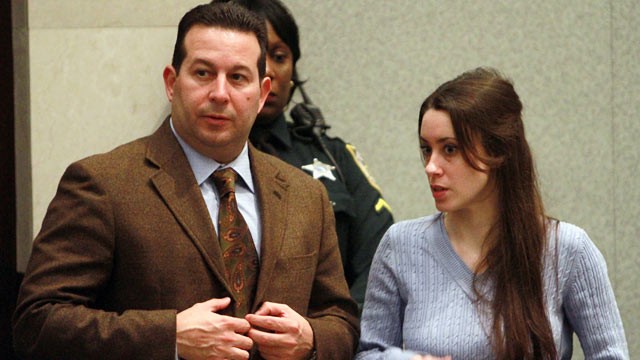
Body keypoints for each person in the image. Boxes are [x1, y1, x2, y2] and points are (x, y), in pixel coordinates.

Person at [12, 3, 359, 360]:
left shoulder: (306, 195)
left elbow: (342, 320)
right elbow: (37, 323)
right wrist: (169, 338)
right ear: (172, 83)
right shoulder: (103, 184)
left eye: (238, 77)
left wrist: (311, 338)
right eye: (204, 73)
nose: (220, 94)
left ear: (262, 93)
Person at [356, 68, 628, 359]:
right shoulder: (400, 245)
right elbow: (369, 352)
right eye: (426, 149)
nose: (431, 167)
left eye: (450, 149)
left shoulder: (568, 249)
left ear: (498, 151)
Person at [213, 0, 394, 313]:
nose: (267, 68)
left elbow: (382, 260)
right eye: (252, 57)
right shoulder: (194, 157)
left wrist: (338, 334)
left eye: (279, 56)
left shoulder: (332, 155)